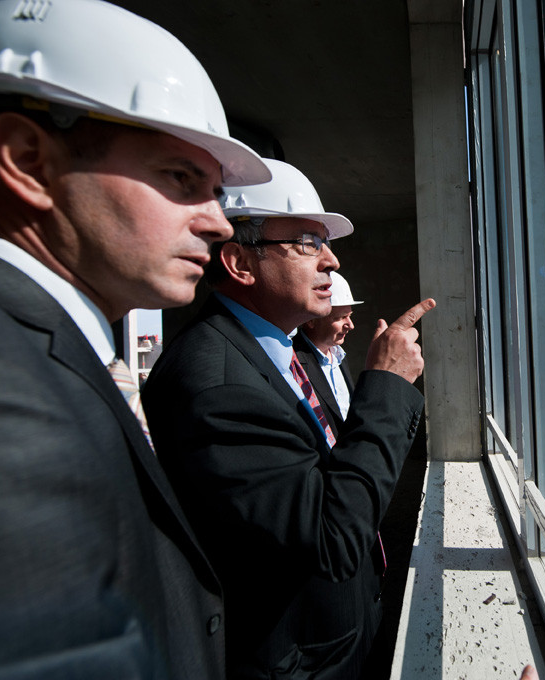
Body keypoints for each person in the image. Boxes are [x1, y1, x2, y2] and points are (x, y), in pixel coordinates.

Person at [0, 0, 269, 677]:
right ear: (26, 159)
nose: (219, 224)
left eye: (214, 191)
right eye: (180, 179)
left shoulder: (35, 343)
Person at [142, 157, 434, 679]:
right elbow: (332, 536)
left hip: (336, 639)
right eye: (306, 242)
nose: (332, 261)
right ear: (240, 263)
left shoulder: (287, 350)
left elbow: (332, 472)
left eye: (325, 243)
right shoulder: (218, 384)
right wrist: (386, 388)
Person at [294, 271, 362, 433]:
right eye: (340, 318)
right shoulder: (292, 362)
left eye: (350, 316)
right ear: (310, 320)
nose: (350, 325)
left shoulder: (338, 356)